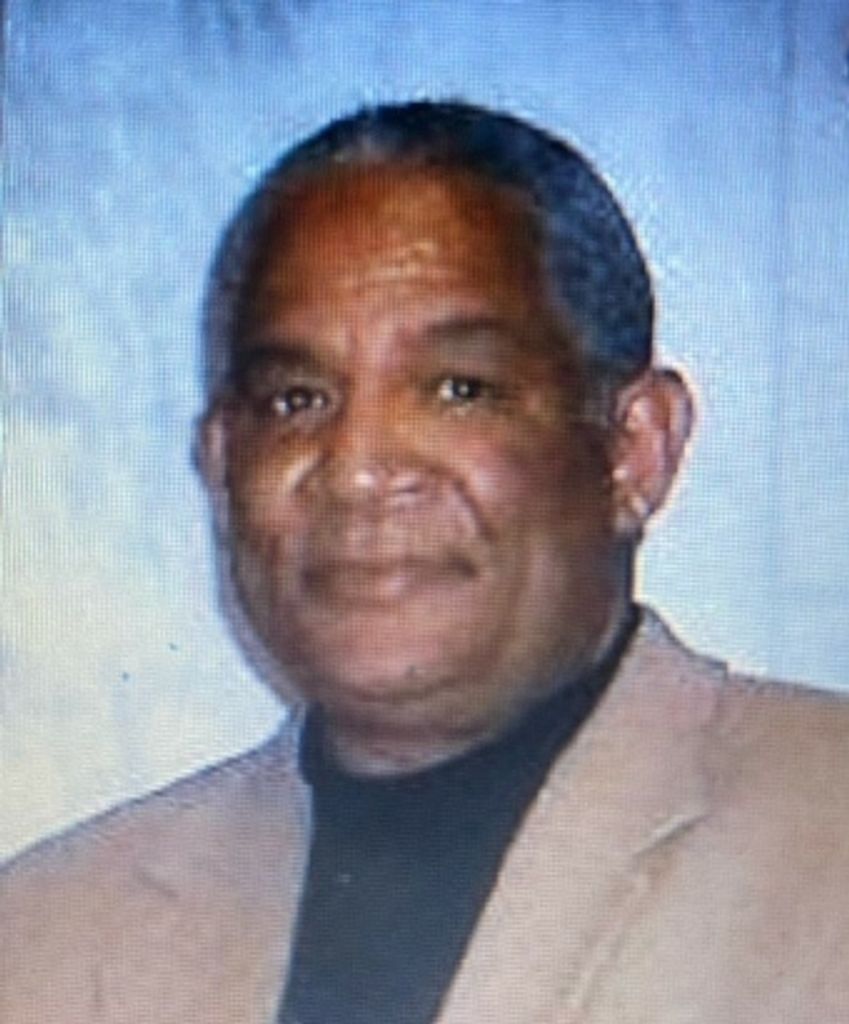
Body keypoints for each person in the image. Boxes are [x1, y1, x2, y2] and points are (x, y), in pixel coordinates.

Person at [2, 101, 848, 1024]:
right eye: (295, 399)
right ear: (218, 459)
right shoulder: (45, 935)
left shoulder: (822, 838)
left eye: (458, 389)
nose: (358, 468)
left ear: (632, 449)